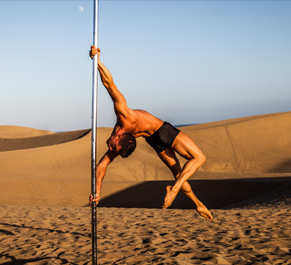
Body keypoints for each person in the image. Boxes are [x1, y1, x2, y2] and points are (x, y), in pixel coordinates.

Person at [89, 46, 213, 220]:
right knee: (190, 166)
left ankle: (193, 201)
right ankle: (181, 193)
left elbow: (109, 84)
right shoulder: (120, 139)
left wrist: (98, 61)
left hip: (160, 134)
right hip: (158, 137)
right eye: (112, 147)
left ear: (121, 137)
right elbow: (101, 166)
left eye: (112, 146)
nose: (108, 146)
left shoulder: (125, 116)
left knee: (189, 166)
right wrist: (97, 192)